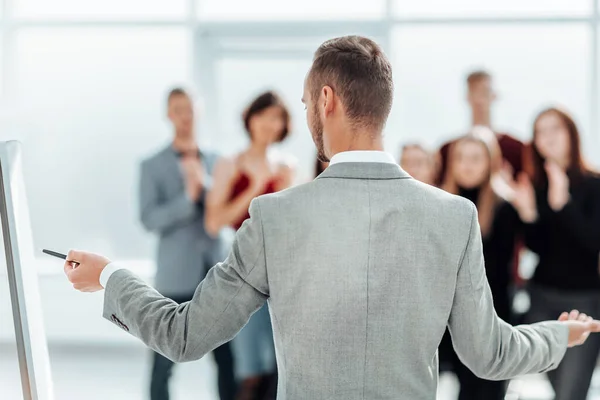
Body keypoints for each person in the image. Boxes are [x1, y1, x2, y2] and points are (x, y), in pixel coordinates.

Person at [64, 36, 600, 400]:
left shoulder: (275, 217)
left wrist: (109, 276)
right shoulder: (454, 216)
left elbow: (182, 336)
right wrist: (559, 336)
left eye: (303, 104)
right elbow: (491, 353)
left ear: (326, 101)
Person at [138, 87, 235, 400]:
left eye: (191, 109)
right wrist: (187, 198)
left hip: (215, 275)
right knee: (163, 362)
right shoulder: (151, 165)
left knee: (227, 359)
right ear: (169, 114)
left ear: (199, 112)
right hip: (175, 277)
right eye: (179, 110)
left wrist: (205, 188)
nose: (185, 117)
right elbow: (149, 219)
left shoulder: (219, 160)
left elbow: (225, 210)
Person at [503, 107, 600, 400]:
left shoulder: (595, 184)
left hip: (584, 299)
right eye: (540, 132)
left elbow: (593, 243)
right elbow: (539, 248)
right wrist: (529, 213)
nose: (548, 138)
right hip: (542, 298)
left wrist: (564, 205)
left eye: (554, 129)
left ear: (571, 133)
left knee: (571, 392)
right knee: (555, 383)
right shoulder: (535, 186)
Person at [204, 91, 294, 400]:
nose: (271, 124)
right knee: (250, 366)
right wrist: (255, 187)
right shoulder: (230, 164)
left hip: (279, 275)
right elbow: (214, 222)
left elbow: (292, 227)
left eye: (277, 117)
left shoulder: (288, 168)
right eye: (264, 116)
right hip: (242, 270)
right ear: (250, 119)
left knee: (280, 365)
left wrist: (284, 191)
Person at [440, 127, 521, 400]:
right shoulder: (439, 204)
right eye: (461, 157)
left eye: (476, 158)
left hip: (491, 318)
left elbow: (498, 275)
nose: (467, 165)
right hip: (449, 319)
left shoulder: (504, 208)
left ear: (490, 162)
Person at [437, 70, 524, 185]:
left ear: (494, 96)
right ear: (467, 97)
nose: (479, 99)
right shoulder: (447, 151)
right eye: (474, 92)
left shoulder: (516, 149)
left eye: (484, 92)